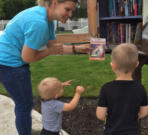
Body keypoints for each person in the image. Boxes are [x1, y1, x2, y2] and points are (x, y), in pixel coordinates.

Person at [0, 0, 89, 135]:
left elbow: (54, 48)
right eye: (67, 9)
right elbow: (28, 57)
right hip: (9, 64)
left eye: (72, 11)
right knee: (24, 105)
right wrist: (49, 52)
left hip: (6, 59)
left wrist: (78, 48)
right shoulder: (39, 23)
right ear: (54, 3)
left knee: (24, 104)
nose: (70, 14)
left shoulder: (47, 19)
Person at [96, 43, 148, 135]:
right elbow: (144, 112)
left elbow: (100, 115)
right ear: (136, 64)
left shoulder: (106, 88)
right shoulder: (140, 88)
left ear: (112, 66)